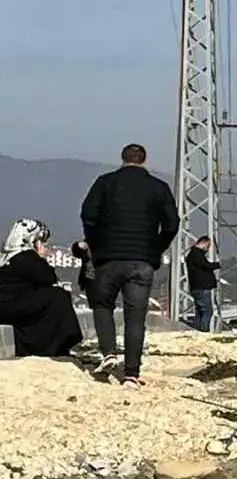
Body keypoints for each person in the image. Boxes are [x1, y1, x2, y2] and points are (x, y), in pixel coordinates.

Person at [80, 143, 180, 385]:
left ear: (122, 158)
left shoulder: (105, 183)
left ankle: (109, 353)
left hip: (108, 259)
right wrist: (156, 248)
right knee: (135, 317)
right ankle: (132, 373)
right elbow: (171, 224)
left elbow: (88, 215)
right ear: (145, 160)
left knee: (102, 305)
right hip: (142, 262)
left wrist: (97, 243)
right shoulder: (158, 188)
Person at [0, 219, 84, 357]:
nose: (44, 246)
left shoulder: (9, 256)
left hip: (9, 305)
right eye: (41, 242)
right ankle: (56, 347)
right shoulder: (25, 256)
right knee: (58, 296)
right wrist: (40, 256)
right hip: (11, 307)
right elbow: (48, 277)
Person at [184, 236, 220, 331]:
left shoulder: (193, 254)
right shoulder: (196, 254)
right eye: (208, 246)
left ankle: (197, 330)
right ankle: (203, 331)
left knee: (199, 312)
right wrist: (217, 265)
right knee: (207, 312)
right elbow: (205, 266)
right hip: (202, 287)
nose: (207, 249)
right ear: (203, 243)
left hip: (196, 287)